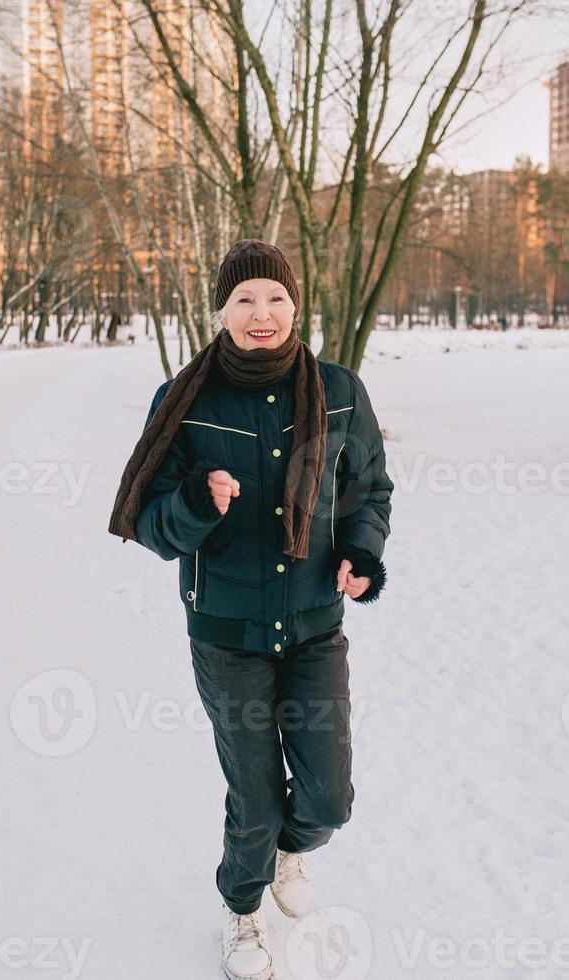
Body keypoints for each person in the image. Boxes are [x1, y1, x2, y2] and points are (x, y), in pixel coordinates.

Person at [108, 239, 394, 980]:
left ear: (295, 305)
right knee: (256, 799)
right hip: (226, 632)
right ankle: (242, 911)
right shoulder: (185, 398)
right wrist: (197, 503)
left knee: (328, 801)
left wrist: (361, 553)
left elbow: (368, 492)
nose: (260, 313)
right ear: (221, 310)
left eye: (273, 298)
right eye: (244, 300)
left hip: (312, 627)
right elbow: (148, 521)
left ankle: (291, 855)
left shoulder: (339, 390)